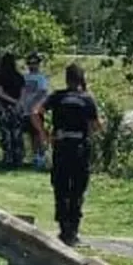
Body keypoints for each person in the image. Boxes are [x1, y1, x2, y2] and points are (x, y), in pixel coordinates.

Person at [33, 62, 101, 246]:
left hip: (61, 146)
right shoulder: (87, 98)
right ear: (82, 79)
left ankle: (63, 228)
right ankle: (74, 231)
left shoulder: (57, 96)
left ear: (66, 78)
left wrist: (44, 134)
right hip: (79, 147)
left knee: (61, 187)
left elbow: (35, 112)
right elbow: (96, 126)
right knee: (77, 189)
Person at [0, 53, 26, 166]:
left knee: (6, 133)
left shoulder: (0, 76)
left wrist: (11, 101)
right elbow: (23, 92)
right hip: (17, 109)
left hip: (4, 108)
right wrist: (19, 102)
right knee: (17, 133)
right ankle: (19, 157)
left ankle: (8, 157)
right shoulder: (19, 76)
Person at [21, 52, 51, 169]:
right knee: (30, 134)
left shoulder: (41, 78)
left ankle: (41, 156)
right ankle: (34, 156)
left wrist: (35, 105)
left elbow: (43, 92)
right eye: (30, 63)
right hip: (26, 110)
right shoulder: (25, 77)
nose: (32, 65)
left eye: (35, 63)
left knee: (38, 134)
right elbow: (23, 92)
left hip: (36, 110)